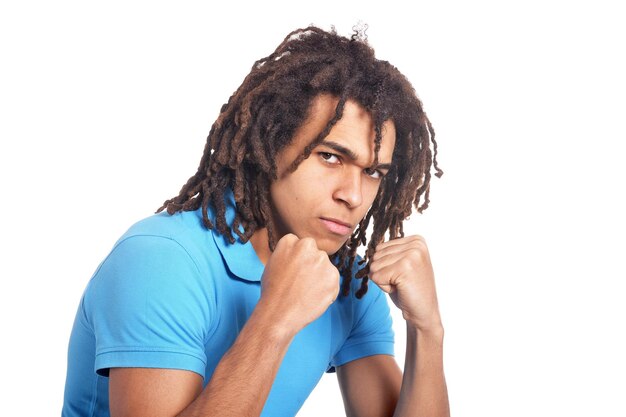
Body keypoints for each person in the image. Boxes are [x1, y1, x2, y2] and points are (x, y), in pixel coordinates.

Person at [62, 25, 450, 417]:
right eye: (330, 157)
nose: (353, 195)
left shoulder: (346, 283)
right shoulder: (161, 260)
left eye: (373, 173)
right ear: (271, 143)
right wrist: (275, 318)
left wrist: (428, 330)